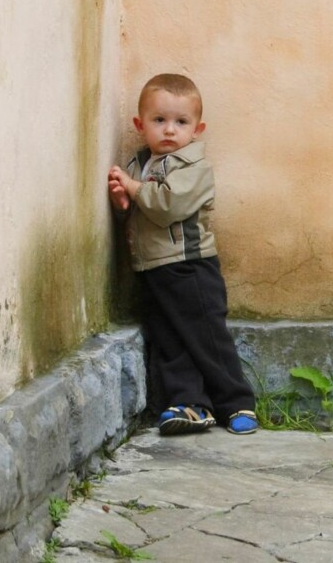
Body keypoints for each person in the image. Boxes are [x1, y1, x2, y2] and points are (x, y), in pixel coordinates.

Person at [107, 73, 258, 436]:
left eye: (181, 122)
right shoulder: (138, 165)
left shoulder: (195, 168)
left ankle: (237, 403)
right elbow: (135, 211)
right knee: (170, 340)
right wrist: (122, 201)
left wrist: (133, 188)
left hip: (190, 267)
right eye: (159, 121)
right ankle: (190, 404)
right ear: (140, 125)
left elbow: (166, 206)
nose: (170, 131)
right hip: (154, 269)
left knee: (206, 338)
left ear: (197, 129)